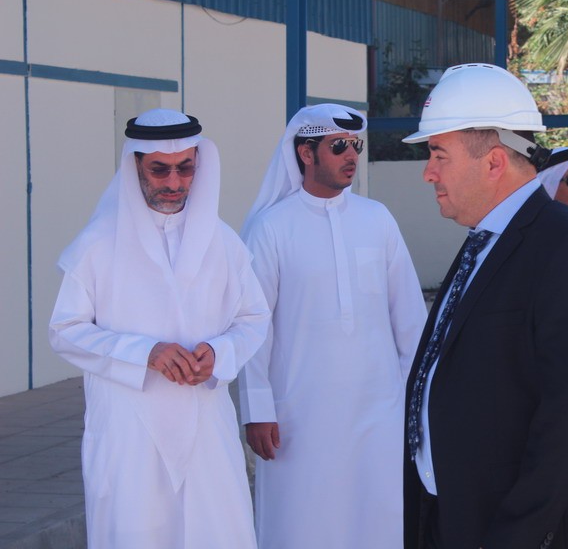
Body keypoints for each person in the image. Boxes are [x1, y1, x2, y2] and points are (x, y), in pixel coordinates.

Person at [400, 63, 568, 549]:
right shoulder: (486, 241)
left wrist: (513, 536)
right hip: (458, 517)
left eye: (439, 154)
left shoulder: (567, 248)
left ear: (494, 162)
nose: (429, 172)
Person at [48, 109, 269, 548]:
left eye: (185, 168)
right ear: (135, 166)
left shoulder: (223, 241)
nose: (174, 181)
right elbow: (65, 329)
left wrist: (219, 353)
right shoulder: (97, 244)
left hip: (207, 427)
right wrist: (144, 353)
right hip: (128, 428)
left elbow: (252, 318)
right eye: (159, 169)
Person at [238, 103, 427, 549]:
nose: (351, 155)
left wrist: (416, 398)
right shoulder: (272, 227)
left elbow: (410, 318)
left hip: (378, 409)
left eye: (356, 145)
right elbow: (252, 328)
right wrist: (257, 409)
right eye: (339, 145)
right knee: (303, 522)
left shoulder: (377, 218)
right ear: (306, 153)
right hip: (300, 413)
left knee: (378, 517)